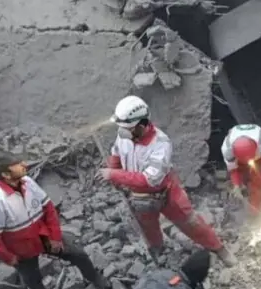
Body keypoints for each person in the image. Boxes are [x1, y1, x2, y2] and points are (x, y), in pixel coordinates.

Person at [96, 95, 237, 266]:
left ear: (142, 125)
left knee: (191, 223)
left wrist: (113, 174)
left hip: (166, 193)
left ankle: (218, 248)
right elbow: (116, 154)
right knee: (148, 227)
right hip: (139, 197)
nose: (123, 132)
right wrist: (114, 170)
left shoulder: (160, 144)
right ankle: (158, 250)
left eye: (128, 128)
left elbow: (149, 180)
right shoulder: (124, 136)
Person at [0, 155, 108, 289]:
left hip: (43, 236)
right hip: (21, 249)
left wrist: (55, 237)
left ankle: (93, 277)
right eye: (16, 164)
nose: (24, 164)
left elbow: (49, 209)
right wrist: (10, 258)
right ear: (6, 175)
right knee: (32, 279)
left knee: (78, 254)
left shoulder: (28, 182)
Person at [220, 124, 261, 213]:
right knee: (241, 179)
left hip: (257, 158)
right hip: (240, 157)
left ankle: (255, 211)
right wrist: (236, 185)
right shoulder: (227, 149)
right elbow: (233, 169)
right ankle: (243, 192)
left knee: (257, 182)